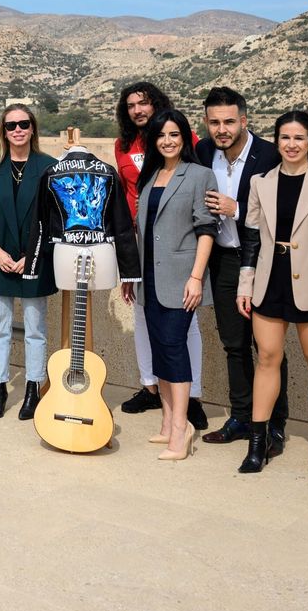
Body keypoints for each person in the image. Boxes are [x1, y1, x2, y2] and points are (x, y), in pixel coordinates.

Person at [236, 112, 308, 478]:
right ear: (276, 141)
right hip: (268, 279)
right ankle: (257, 446)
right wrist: (245, 285)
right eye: (284, 137)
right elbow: (249, 237)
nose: (291, 144)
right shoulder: (260, 182)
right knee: (267, 358)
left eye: (299, 138)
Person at [123, 109, 217, 461]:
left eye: (174, 134)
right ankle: (167, 420)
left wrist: (196, 277)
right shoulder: (150, 177)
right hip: (149, 280)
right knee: (160, 349)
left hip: (181, 280)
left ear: (185, 138)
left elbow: (206, 228)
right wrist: (133, 275)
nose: (167, 141)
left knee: (174, 348)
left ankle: (182, 426)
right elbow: (142, 231)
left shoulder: (199, 175)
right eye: (161, 135)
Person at [113, 82, 207, 426]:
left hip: (176, 243)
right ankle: (150, 387)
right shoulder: (122, 146)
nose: (138, 110)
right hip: (138, 243)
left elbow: (197, 182)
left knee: (186, 322)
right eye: (132, 105)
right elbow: (125, 196)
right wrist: (127, 260)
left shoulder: (178, 136)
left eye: (144, 103)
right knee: (140, 316)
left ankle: (191, 394)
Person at [195, 86, 283, 450]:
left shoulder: (270, 154)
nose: (222, 129)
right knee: (233, 344)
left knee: (269, 348)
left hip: (263, 262)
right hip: (222, 261)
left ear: (243, 120)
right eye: (214, 122)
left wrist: (238, 210)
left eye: (229, 121)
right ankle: (241, 418)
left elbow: (283, 213)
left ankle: (273, 426)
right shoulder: (202, 152)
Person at [0, 104, 58, 420]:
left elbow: (56, 217)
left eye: (24, 124)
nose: (18, 130)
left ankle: (34, 388)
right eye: (11, 126)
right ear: (3, 131)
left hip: (35, 259)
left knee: (36, 328)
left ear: (33, 128)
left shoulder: (50, 167)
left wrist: (31, 255)